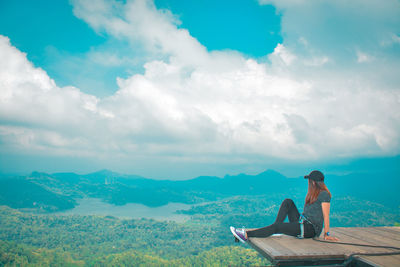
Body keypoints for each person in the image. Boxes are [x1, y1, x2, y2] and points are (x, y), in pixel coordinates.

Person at [230, 170, 339, 242]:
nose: (309, 183)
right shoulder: (313, 193)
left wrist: (326, 234)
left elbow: (326, 216)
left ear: (314, 183)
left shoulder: (324, 194)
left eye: (310, 181)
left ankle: (246, 235)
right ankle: (276, 227)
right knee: (288, 202)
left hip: (310, 229)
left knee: (277, 227)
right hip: (303, 222)